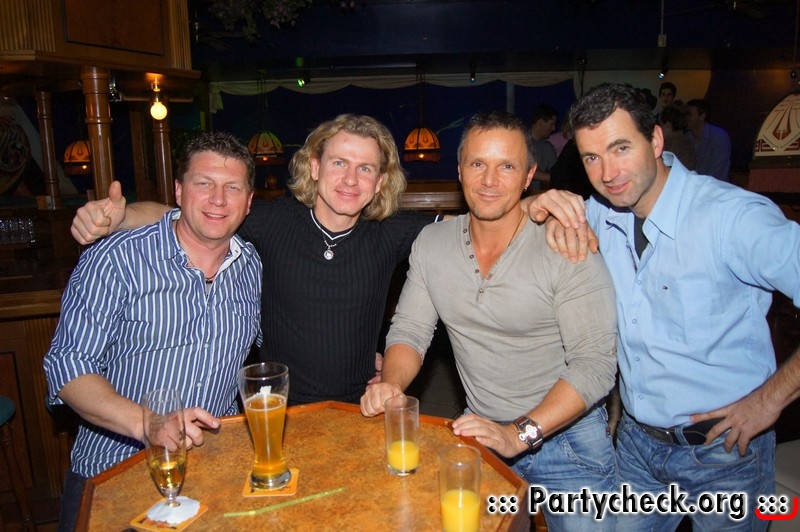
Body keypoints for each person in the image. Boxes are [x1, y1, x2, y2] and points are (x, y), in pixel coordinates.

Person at [69, 114, 580, 407]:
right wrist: (118, 215)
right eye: (338, 162)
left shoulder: (392, 232)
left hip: (360, 410)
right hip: (280, 415)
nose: (350, 179)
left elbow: (481, 220)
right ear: (314, 166)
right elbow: (189, 214)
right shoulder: (271, 220)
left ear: (381, 182)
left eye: (365, 169)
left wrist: (535, 203)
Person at [548, 82, 800, 530]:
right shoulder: (602, 213)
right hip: (638, 446)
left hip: (726, 452)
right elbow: (529, 216)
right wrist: (542, 206)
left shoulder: (732, 217)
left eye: (620, 148)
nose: (608, 172)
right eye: (591, 158)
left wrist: (769, 400)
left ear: (656, 140)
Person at [360, 111, 619, 531]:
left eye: (507, 166)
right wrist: (392, 382)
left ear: (529, 176)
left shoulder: (564, 243)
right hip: (482, 432)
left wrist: (518, 434)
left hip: (569, 441)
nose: (489, 180)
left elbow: (595, 364)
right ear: (460, 170)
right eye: (478, 164)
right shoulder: (433, 243)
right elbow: (410, 330)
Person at [44, 131, 263, 531]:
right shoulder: (116, 258)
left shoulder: (252, 267)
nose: (218, 199)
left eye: (232, 188)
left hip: (212, 466)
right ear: (179, 191)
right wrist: (147, 422)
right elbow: (67, 366)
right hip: (117, 469)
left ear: (248, 202)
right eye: (204, 183)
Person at [686, 98, 731, 181]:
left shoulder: (719, 137)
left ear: (702, 116)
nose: (686, 117)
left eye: (689, 114)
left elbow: (717, 172)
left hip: (715, 187)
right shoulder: (686, 137)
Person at [659, 101, 696, 170]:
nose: (660, 128)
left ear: (668, 126)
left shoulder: (678, 147)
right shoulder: (686, 145)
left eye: (661, 124)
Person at [529, 103, 559, 188]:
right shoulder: (520, 143)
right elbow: (523, 170)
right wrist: (550, 177)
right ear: (540, 123)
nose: (553, 128)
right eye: (551, 124)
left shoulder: (547, 148)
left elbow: (556, 171)